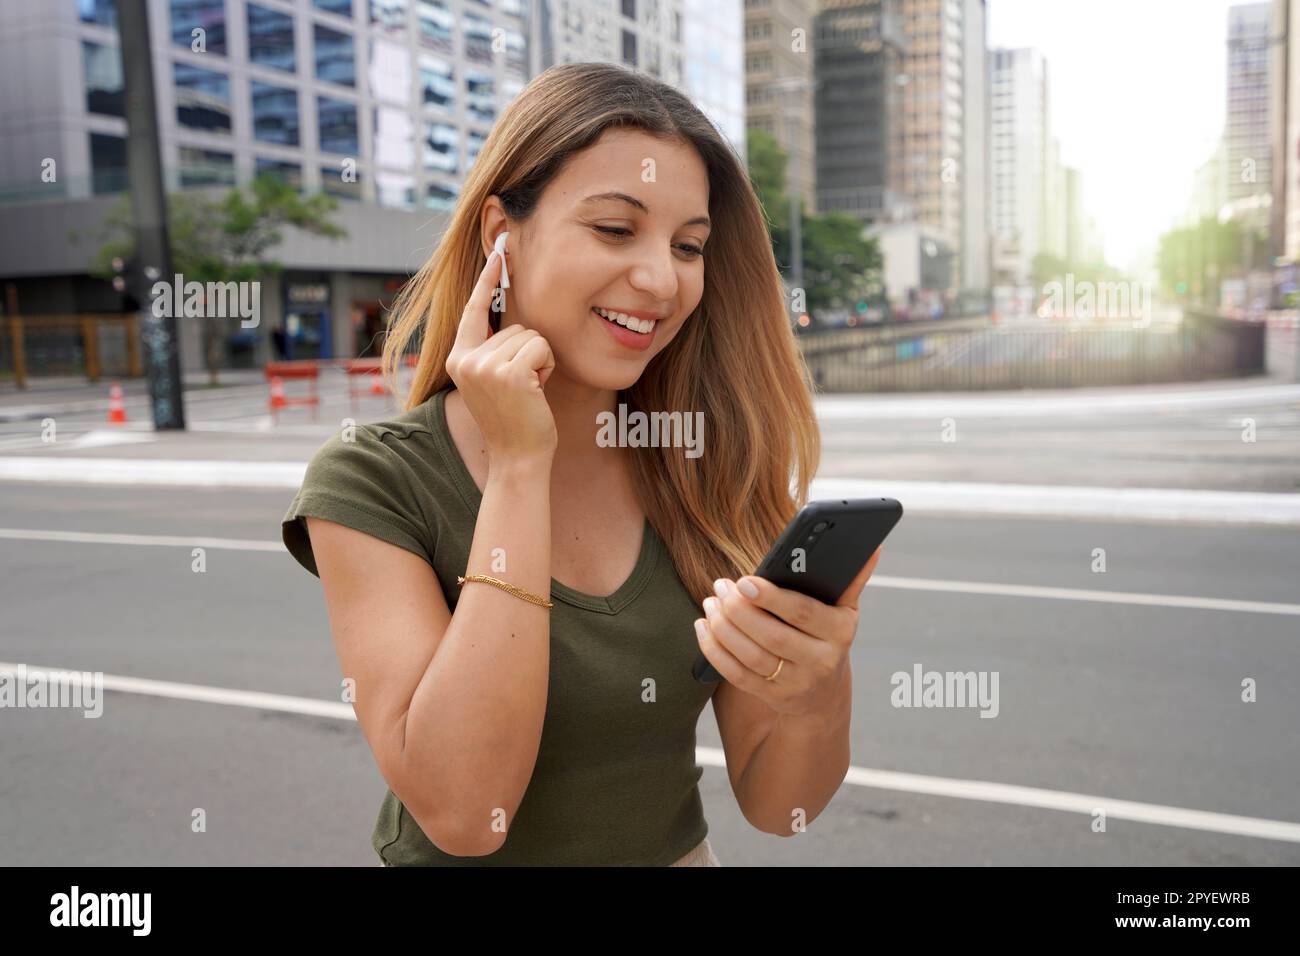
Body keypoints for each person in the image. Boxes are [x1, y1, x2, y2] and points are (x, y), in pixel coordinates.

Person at [280, 62, 878, 867]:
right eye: (614, 229)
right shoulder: (374, 480)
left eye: (689, 246)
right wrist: (523, 466)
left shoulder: (705, 467)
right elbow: (467, 812)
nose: (662, 279)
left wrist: (816, 687)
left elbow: (781, 808)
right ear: (502, 234)